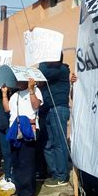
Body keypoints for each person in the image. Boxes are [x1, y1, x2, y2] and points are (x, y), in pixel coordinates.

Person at [2, 78, 43, 196]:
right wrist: (4, 94)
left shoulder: (36, 91)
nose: (17, 83)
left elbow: (36, 105)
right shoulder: (15, 95)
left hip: (28, 130)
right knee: (17, 161)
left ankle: (28, 191)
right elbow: (7, 109)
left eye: (20, 80)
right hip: (15, 130)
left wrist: (31, 91)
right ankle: (19, 188)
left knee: (27, 161)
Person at [38, 54, 71, 188]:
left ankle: (61, 176)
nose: (46, 60)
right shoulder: (50, 70)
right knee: (47, 144)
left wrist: (40, 60)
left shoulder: (62, 69)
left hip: (58, 108)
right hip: (47, 108)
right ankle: (54, 173)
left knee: (59, 143)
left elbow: (42, 72)